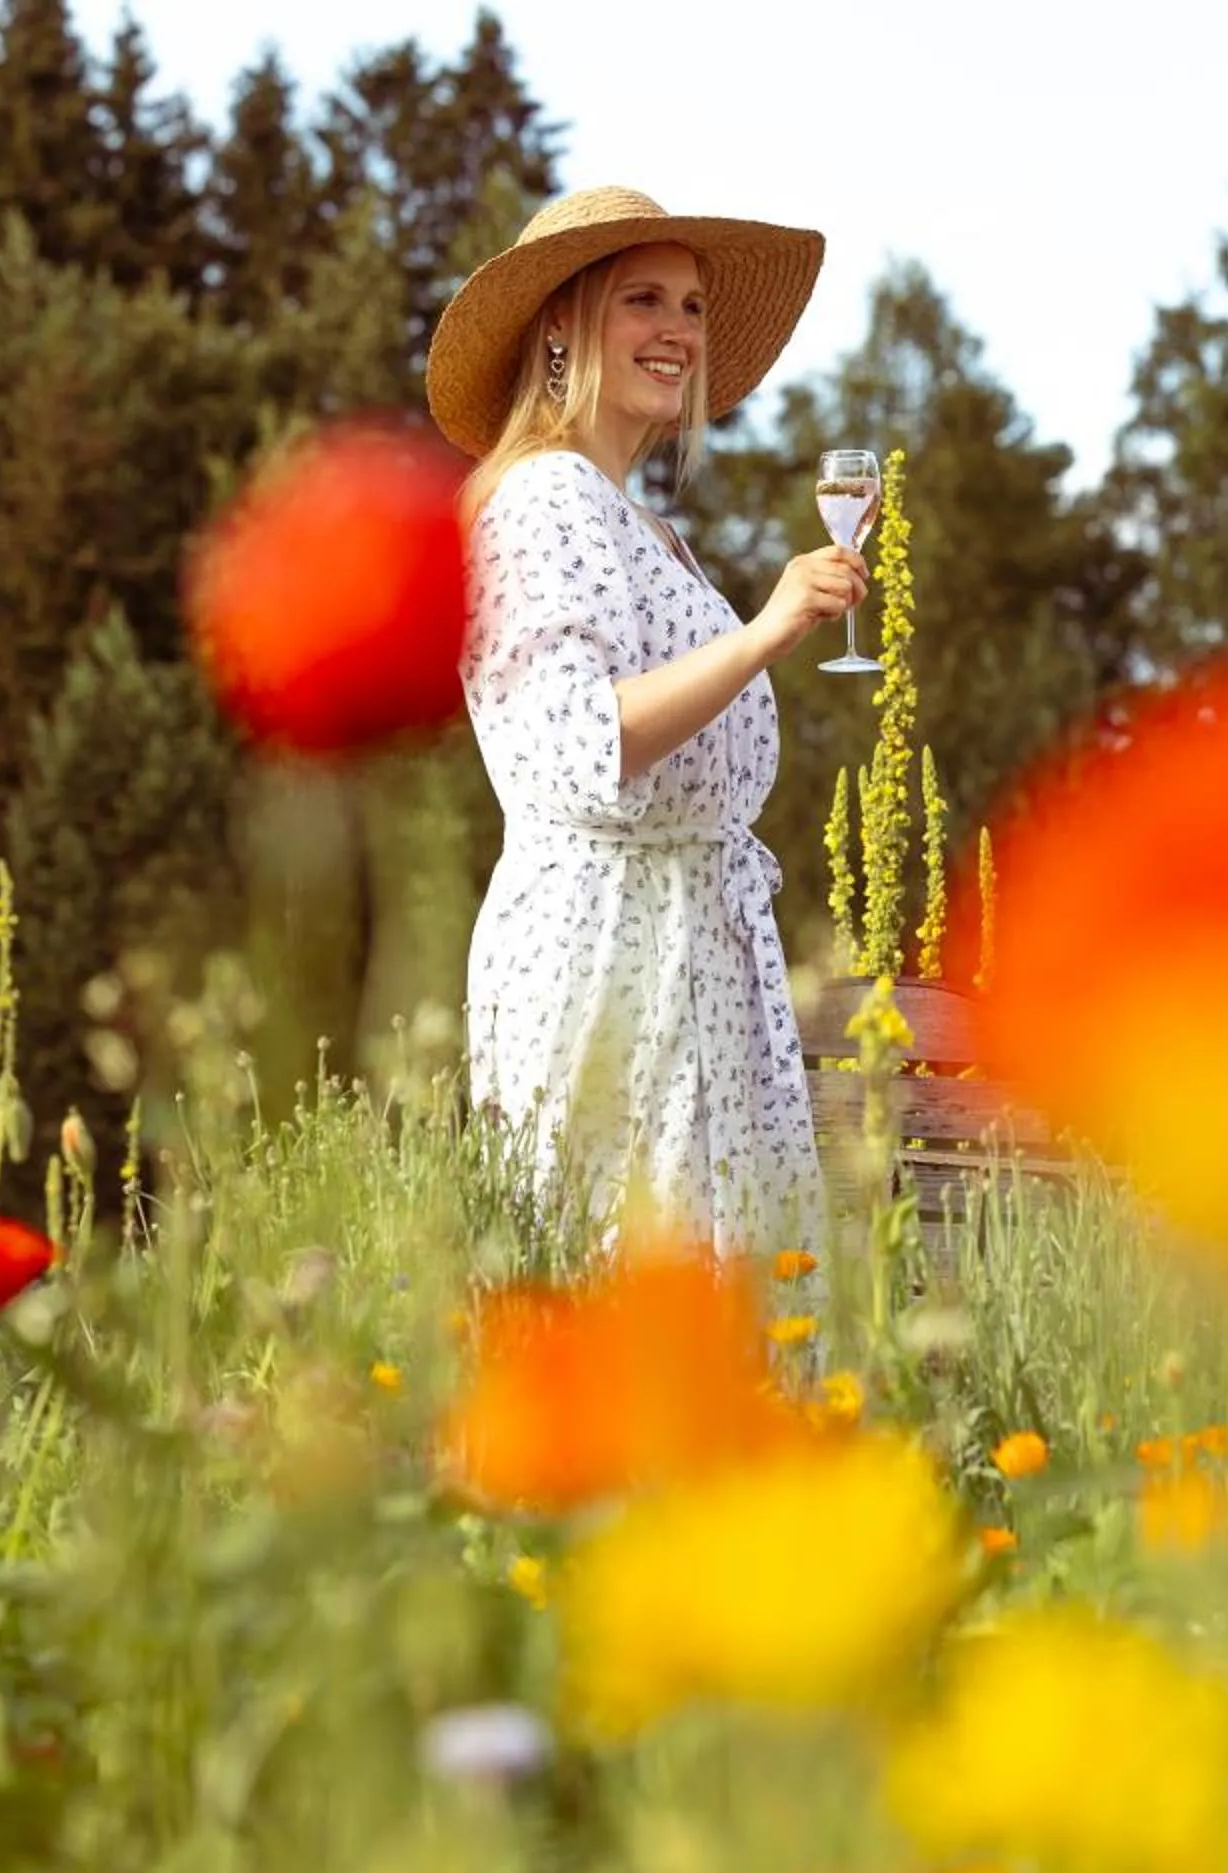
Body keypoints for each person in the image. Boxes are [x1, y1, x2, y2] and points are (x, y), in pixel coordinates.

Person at [425, 186, 864, 1261]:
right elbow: (584, 743)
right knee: (621, 1279)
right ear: (564, 327)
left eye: (693, 307)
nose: (677, 330)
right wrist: (766, 630)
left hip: (689, 946)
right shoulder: (543, 499)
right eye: (644, 300)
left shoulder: (643, 524)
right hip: (606, 952)